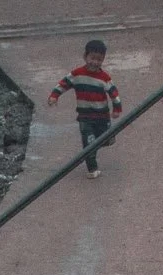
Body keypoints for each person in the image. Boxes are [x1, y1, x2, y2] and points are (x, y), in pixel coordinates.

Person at [48, 38, 124, 177]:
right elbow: (64, 84)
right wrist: (54, 96)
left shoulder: (104, 77)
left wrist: (117, 109)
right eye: (92, 58)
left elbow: (114, 93)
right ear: (85, 56)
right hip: (85, 117)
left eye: (99, 59)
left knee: (106, 139)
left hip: (102, 116)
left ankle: (99, 143)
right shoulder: (77, 74)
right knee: (88, 143)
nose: (95, 62)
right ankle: (92, 169)